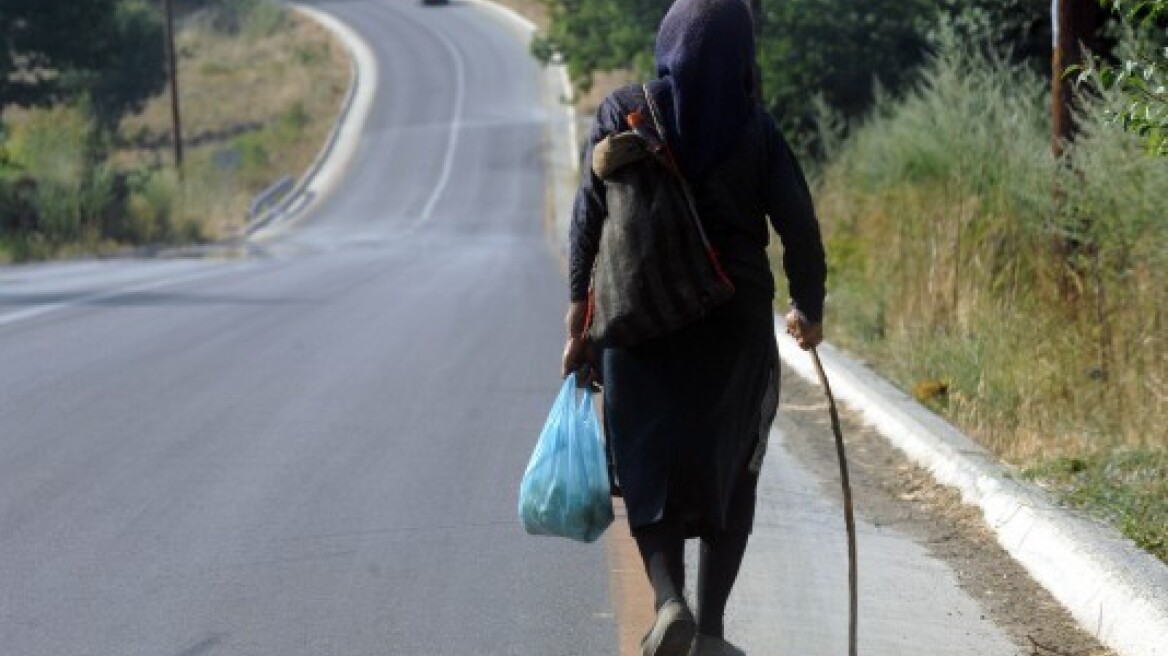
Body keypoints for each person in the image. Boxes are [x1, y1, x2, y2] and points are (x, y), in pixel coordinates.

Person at [561, 0, 827, 654]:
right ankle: (710, 630)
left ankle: (667, 600)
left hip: (637, 320)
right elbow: (801, 232)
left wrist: (577, 317)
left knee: (647, 462)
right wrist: (808, 311)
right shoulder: (754, 129)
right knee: (732, 467)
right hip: (733, 325)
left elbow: (586, 222)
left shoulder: (624, 111)